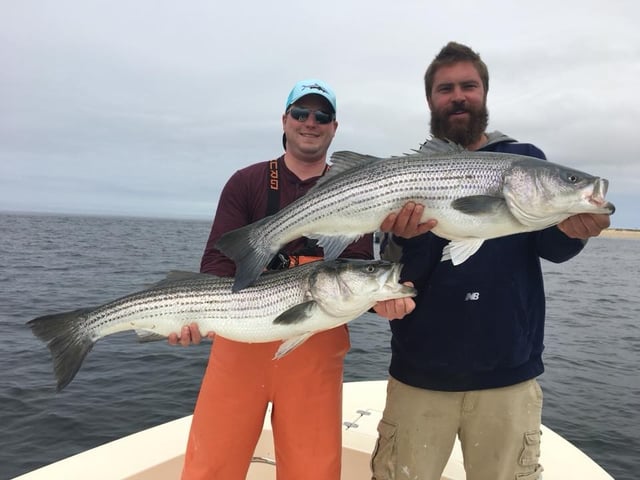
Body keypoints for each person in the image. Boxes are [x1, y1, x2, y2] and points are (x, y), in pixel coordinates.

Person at [371, 42, 611, 480]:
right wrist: (402, 239)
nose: (458, 96)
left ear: (485, 93)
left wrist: (574, 230)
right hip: (421, 372)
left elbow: (553, 249)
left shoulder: (525, 160)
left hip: (508, 374)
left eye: (469, 85)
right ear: (430, 100)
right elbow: (400, 275)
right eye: (446, 88)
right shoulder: (410, 176)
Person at [174, 79, 414, 480]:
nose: (310, 122)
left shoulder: (355, 189)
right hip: (241, 342)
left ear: (334, 128)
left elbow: (357, 267)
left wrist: (382, 301)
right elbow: (218, 261)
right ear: (284, 120)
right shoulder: (247, 182)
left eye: (322, 116)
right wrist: (197, 314)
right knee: (210, 467)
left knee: (313, 472)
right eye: (301, 113)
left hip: (315, 348)